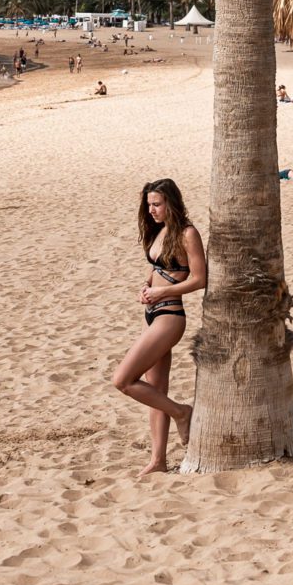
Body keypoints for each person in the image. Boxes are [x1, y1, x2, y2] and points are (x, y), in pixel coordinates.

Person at [113, 177, 205, 474]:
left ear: (171, 203)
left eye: (157, 204)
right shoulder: (160, 231)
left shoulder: (188, 233)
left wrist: (162, 291)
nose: (151, 210)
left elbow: (199, 279)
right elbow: (160, 269)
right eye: (149, 204)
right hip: (153, 313)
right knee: (156, 390)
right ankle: (158, 460)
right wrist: (146, 285)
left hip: (170, 317)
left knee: (123, 380)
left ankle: (182, 412)